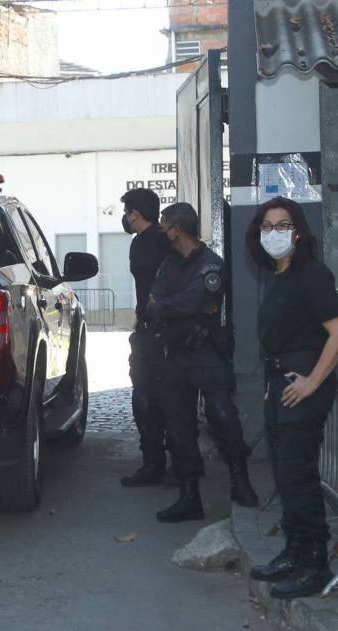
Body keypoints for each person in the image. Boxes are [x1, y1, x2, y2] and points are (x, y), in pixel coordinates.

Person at [245, 197, 338, 599]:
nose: (274, 234)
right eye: (267, 227)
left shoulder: (312, 275)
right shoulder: (278, 275)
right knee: (284, 474)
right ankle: (295, 551)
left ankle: (315, 563)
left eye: (282, 226)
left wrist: (312, 382)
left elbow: (337, 332)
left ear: (298, 232)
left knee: (298, 475)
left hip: (303, 386)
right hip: (280, 385)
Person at [146, 202, 258, 523]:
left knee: (224, 417)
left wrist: (168, 305)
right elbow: (153, 304)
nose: (162, 232)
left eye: (164, 226)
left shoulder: (211, 265)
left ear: (177, 228)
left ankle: (241, 482)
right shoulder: (168, 265)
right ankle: (189, 496)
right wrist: (171, 306)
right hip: (174, 355)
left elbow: (195, 300)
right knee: (178, 429)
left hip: (205, 352)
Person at [119, 188, 176, 487]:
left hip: (156, 332)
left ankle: (155, 463)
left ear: (135, 214)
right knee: (160, 398)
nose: (125, 218)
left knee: (146, 398)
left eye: (127, 212)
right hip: (158, 329)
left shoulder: (148, 242)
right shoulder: (162, 240)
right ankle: (172, 464)